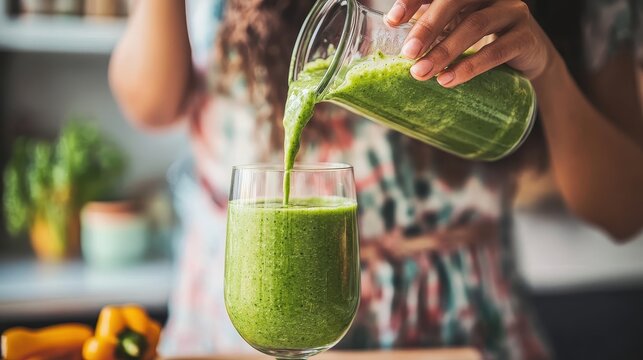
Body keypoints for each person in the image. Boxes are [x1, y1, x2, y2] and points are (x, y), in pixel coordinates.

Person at [109, 0, 643, 358]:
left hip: (459, 331)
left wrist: (544, 65)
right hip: (243, 323)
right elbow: (150, 103)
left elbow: (623, 211)